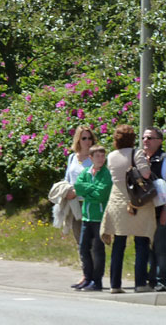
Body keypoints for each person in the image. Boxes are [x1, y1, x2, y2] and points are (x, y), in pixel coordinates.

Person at [100, 124, 156, 293]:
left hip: (117, 202)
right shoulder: (136, 153)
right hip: (138, 202)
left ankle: (115, 284)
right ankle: (140, 283)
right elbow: (145, 175)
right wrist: (146, 163)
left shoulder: (111, 156)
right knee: (141, 242)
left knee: (119, 244)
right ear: (132, 139)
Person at [73, 145, 111, 291]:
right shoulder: (86, 172)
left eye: (103, 156)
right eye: (97, 156)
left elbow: (100, 194)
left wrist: (88, 191)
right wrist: (90, 190)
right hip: (86, 217)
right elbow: (78, 187)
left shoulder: (106, 174)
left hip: (99, 217)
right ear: (91, 158)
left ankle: (97, 281)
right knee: (83, 248)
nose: (101, 159)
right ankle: (87, 278)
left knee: (98, 250)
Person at [64, 125, 95, 287]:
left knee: (91, 242)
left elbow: (96, 182)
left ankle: (93, 276)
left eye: (89, 138)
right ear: (78, 140)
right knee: (80, 243)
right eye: (84, 138)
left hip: (90, 204)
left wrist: (78, 190)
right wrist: (66, 191)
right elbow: (67, 179)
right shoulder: (72, 158)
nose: (87, 141)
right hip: (75, 205)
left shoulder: (95, 158)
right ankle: (85, 274)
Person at [139, 128, 166, 290]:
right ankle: (151, 279)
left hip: (160, 211)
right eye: (143, 137)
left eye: (150, 137)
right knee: (147, 247)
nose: (145, 140)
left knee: (161, 248)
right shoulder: (141, 159)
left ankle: (162, 280)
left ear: (160, 141)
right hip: (144, 211)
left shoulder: (164, 159)